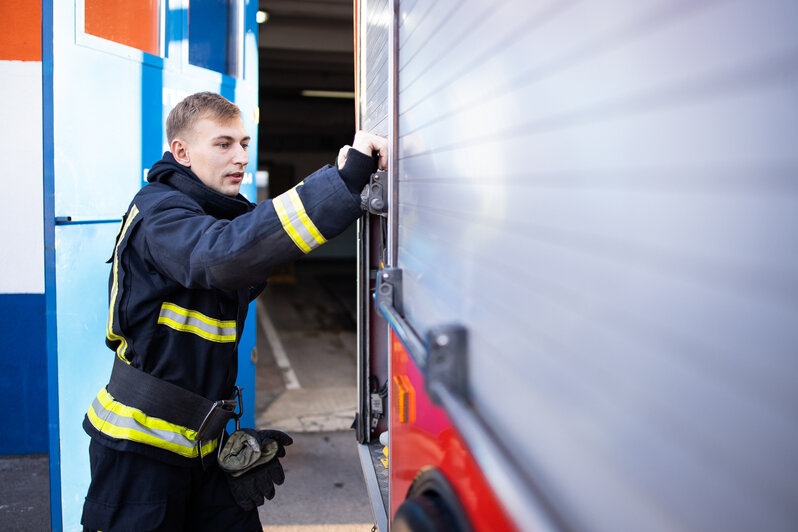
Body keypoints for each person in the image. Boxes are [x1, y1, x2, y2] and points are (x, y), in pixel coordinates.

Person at [80, 91, 387, 531]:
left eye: (244, 143)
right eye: (223, 144)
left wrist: (343, 182)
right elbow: (223, 255)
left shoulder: (214, 213)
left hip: (205, 445)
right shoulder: (159, 211)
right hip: (139, 453)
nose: (241, 156)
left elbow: (254, 246)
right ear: (181, 152)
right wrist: (339, 184)